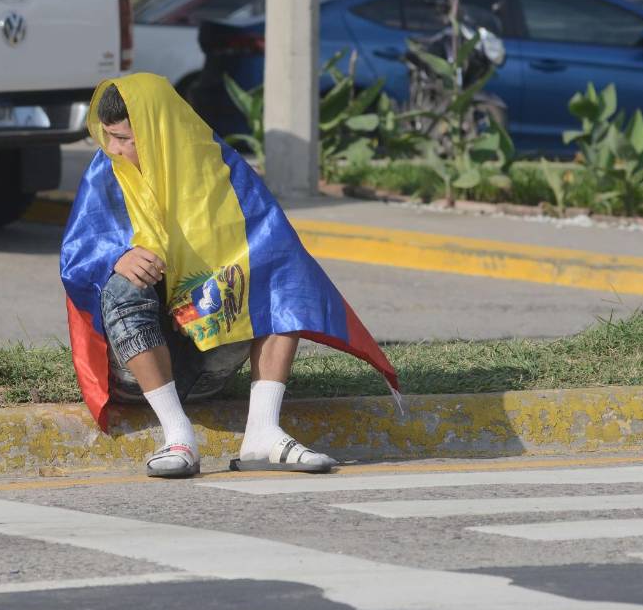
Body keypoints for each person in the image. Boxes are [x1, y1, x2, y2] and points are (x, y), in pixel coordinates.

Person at [60, 74, 399, 478]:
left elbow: (270, 242)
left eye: (125, 139)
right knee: (125, 285)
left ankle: (263, 431)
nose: (113, 148)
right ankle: (177, 434)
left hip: (211, 356)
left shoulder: (217, 164)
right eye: (110, 136)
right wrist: (116, 257)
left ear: (159, 131)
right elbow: (77, 255)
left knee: (284, 268)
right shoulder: (107, 170)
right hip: (135, 375)